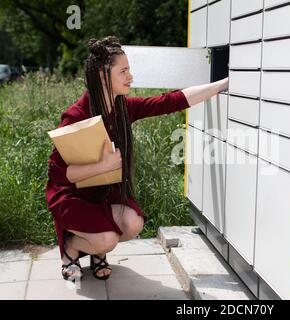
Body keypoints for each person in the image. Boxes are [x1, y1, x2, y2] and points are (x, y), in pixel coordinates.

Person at [45, 36, 228, 281]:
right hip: (71, 197)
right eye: (124, 71)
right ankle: (70, 247)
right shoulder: (76, 115)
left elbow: (170, 101)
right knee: (108, 239)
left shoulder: (123, 108)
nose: (130, 76)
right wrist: (103, 166)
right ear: (103, 75)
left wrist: (222, 84)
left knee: (133, 224)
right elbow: (59, 175)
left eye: (129, 69)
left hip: (102, 194)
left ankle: (96, 248)